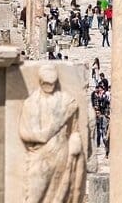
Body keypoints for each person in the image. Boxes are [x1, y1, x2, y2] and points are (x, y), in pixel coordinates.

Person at [19, 65, 84, 202]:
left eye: (52, 83)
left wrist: (75, 140)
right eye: (46, 83)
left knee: (60, 195)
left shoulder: (67, 101)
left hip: (62, 154)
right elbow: (25, 132)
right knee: (34, 196)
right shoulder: (30, 103)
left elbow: (75, 129)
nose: (50, 86)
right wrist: (50, 129)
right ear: (40, 81)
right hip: (39, 157)